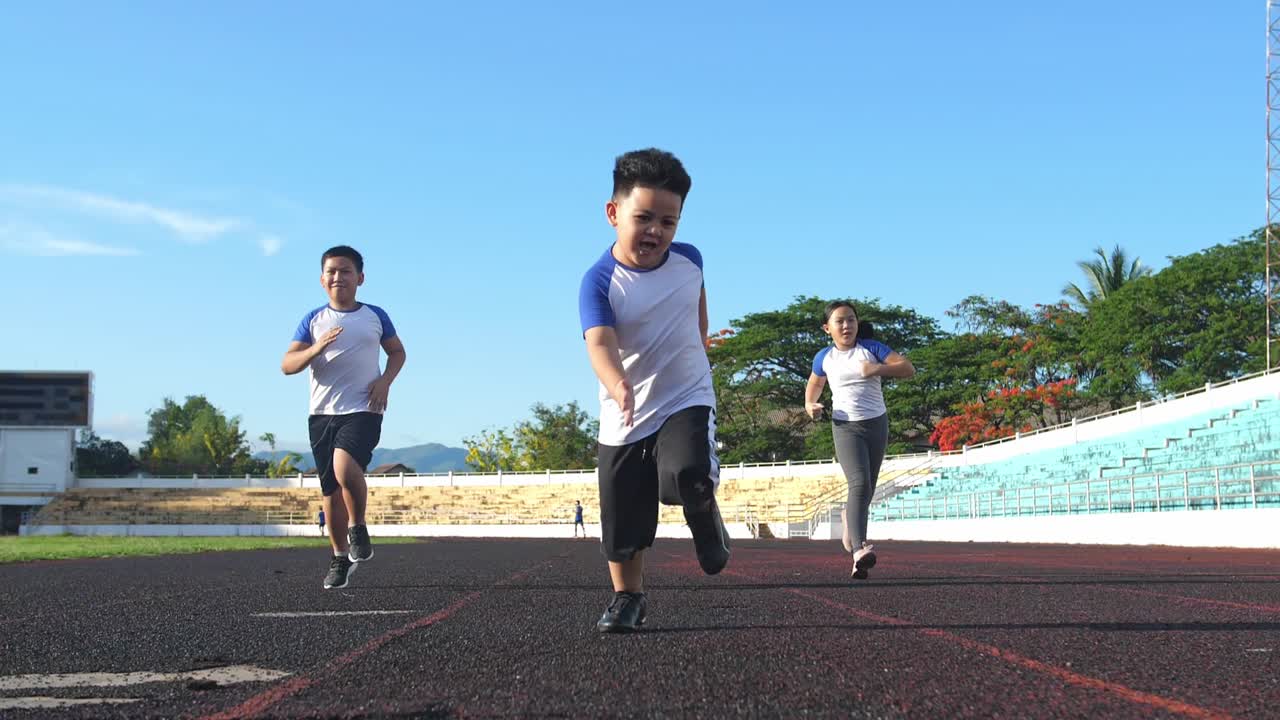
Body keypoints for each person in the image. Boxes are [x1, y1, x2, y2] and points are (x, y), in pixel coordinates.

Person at [579, 148, 730, 634]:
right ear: (613, 213)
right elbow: (598, 342)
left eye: (669, 221)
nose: (656, 232)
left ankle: (705, 516)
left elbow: (697, 304)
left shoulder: (690, 260)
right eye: (643, 218)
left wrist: (701, 346)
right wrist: (616, 381)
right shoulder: (599, 281)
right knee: (622, 519)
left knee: (684, 473)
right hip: (624, 409)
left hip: (686, 395)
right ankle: (629, 598)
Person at [282, 245, 407, 590]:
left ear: (360, 278)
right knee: (329, 491)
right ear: (322, 280)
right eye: (332, 271)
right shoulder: (312, 321)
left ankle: (358, 525)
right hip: (322, 413)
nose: (338, 277)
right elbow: (287, 365)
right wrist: (315, 348)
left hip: (364, 408)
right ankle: (339, 558)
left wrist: (385, 381)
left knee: (344, 468)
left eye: (346, 271)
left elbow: (397, 352)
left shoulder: (374, 316)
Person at [804, 301, 914, 580]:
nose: (846, 326)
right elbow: (815, 384)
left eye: (851, 320)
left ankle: (848, 521)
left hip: (877, 423)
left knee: (867, 489)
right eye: (839, 321)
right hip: (845, 426)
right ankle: (859, 551)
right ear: (827, 328)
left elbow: (907, 368)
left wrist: (876, 370)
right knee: (860, 484)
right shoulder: (824, 357)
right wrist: (809, 404)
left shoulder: (871, 348)